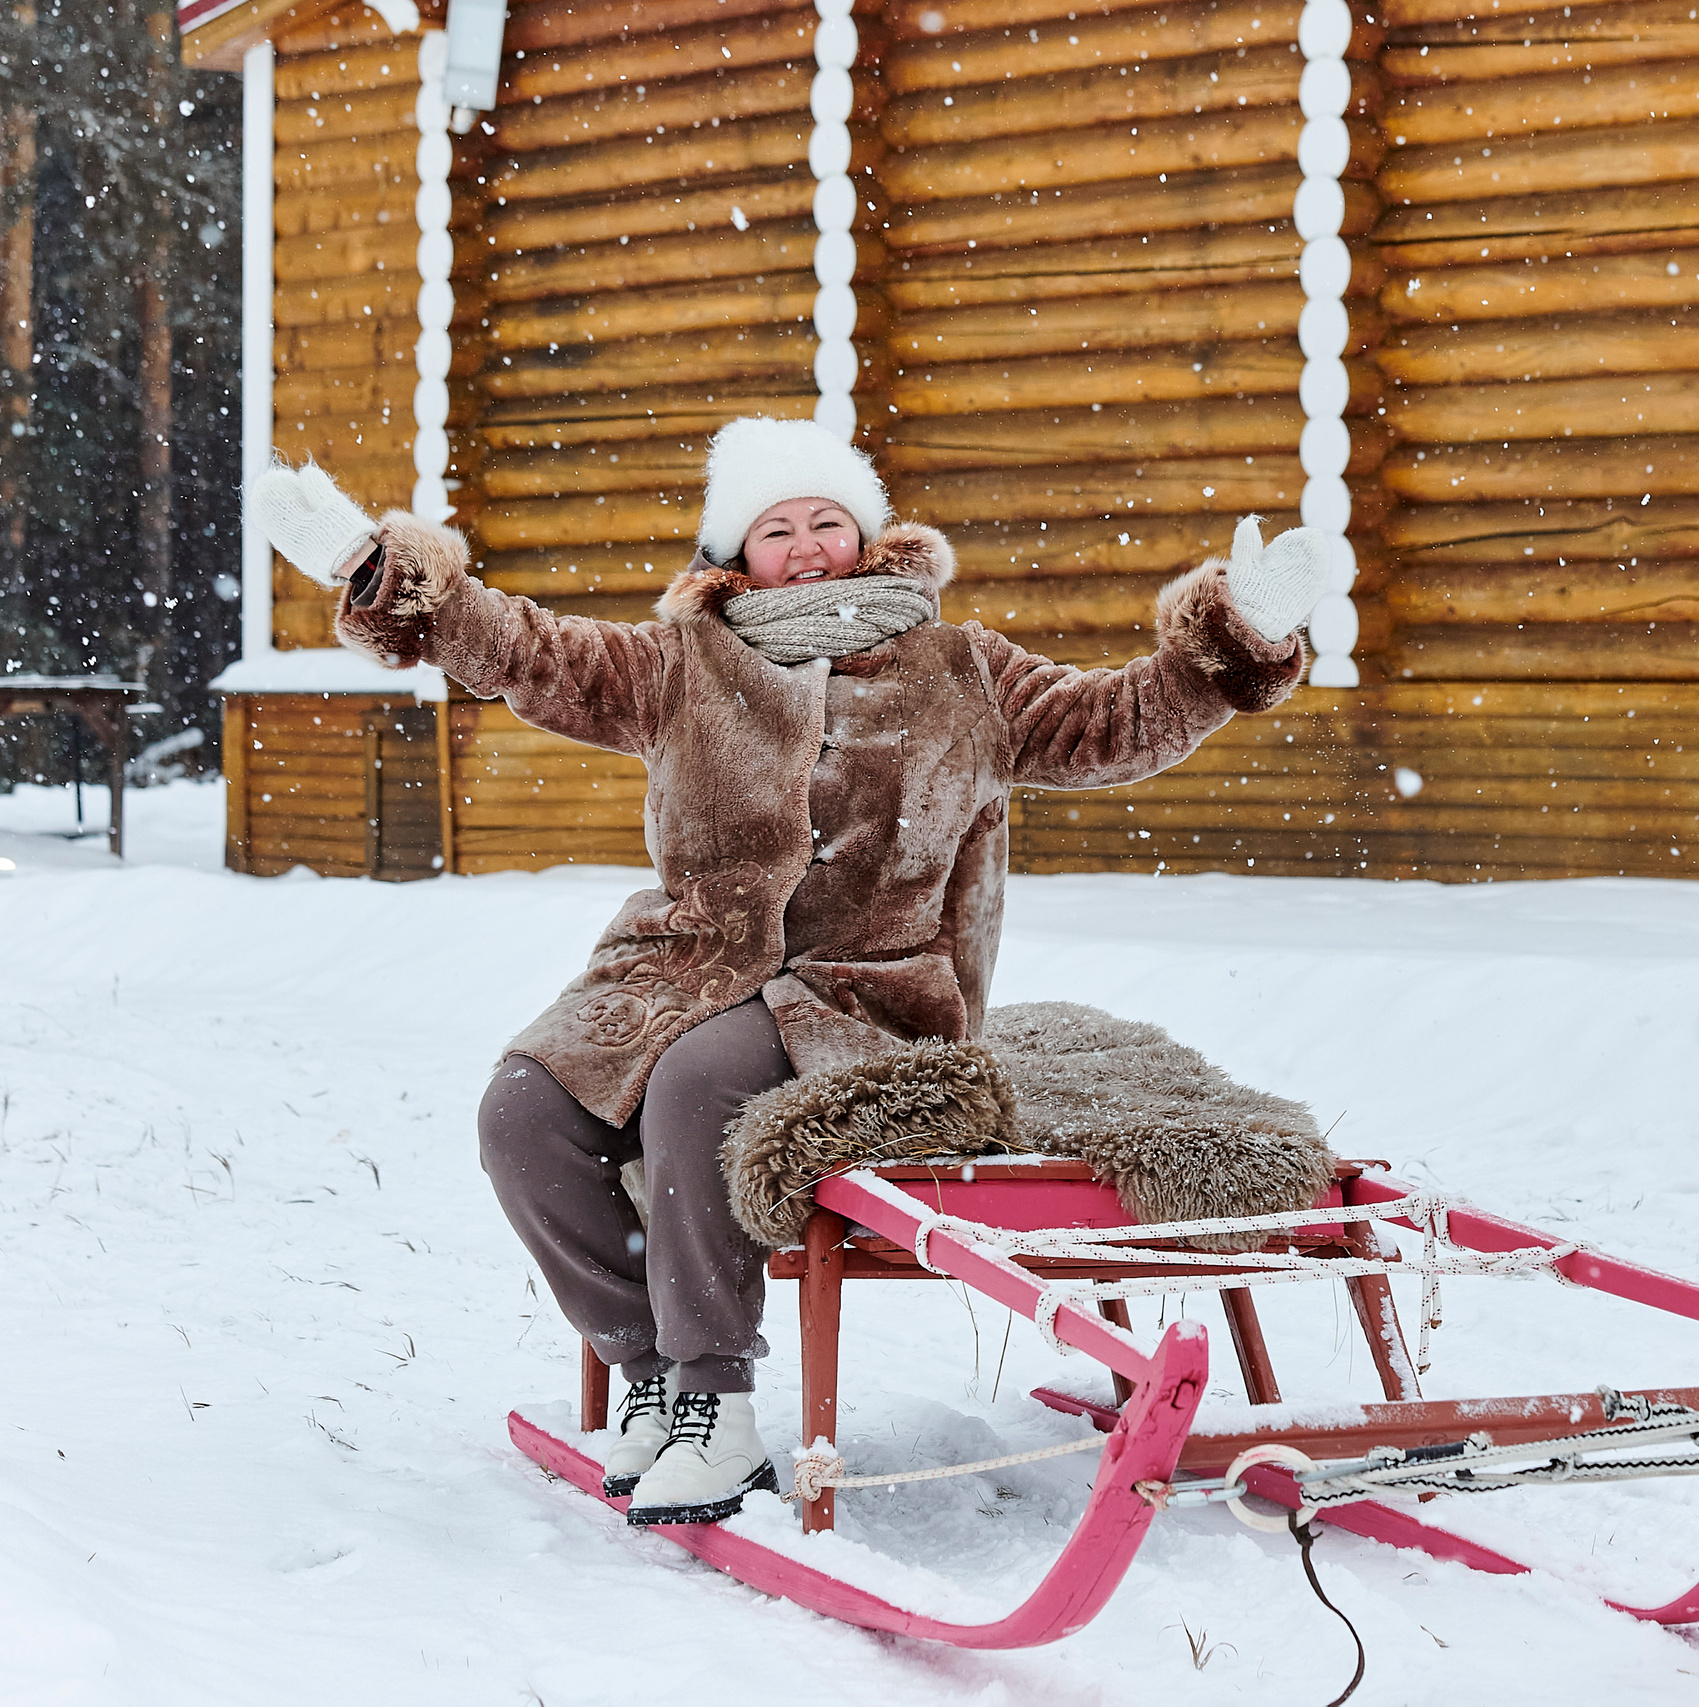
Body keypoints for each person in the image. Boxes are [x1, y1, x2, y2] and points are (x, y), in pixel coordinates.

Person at [248, 417, 1321, 1524]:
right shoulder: (678, 666)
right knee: (521, 1115)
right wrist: (382, 574)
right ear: (733, 556)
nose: (805, 544)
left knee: (695, 1085)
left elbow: (1117, 720)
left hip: (874, 993)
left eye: (826, 521)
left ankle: (719, 1408)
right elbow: (523, 648)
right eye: (776, 528)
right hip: (681, 964)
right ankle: (652, 1372)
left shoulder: (965, 671)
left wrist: (1236, 640)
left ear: (866, 536)